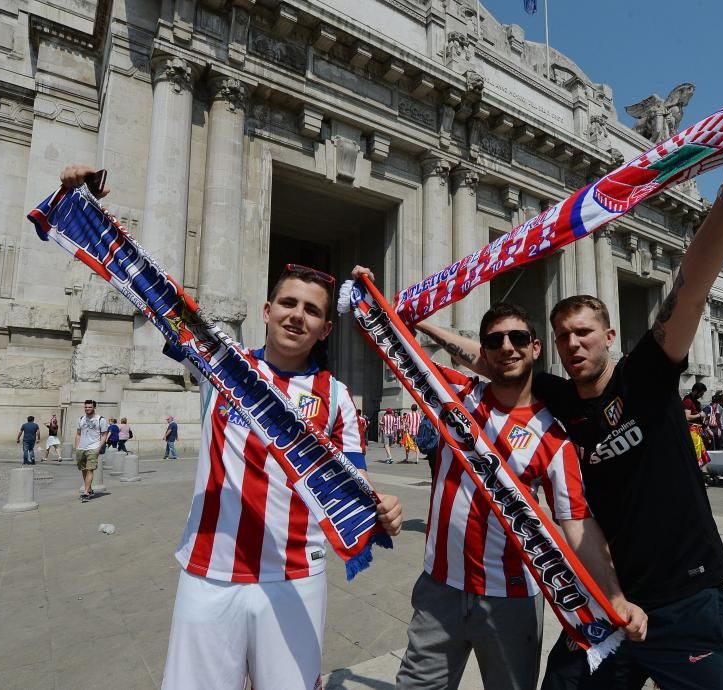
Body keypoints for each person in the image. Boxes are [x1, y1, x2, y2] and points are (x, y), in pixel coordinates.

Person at [412, 93, 723, 686]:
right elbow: (487, 361)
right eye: (562, 337)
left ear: (610, 335)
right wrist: (419, 325)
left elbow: (691, 284)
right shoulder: (560, 401)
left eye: (583, 332)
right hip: (601, 605)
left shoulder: (650, 374)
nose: (573, 344)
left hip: (687, 600)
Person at [58, 164, 403, 690]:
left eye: (312, 311)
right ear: (266, 311)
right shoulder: (222, 367)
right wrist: (87, 209)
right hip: (209, 572)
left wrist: (383, 512)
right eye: (287, 303)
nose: (297, 316)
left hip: (296, 578)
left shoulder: (336, 397)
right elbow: (155, 296)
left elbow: (352, 484)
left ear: (326, 328)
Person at [405, 301, 647, 690]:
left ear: (535, 348)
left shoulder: (555, 438)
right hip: (439, 589)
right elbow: (398, 347)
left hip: (511, 601)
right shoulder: (456, 396)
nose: (507, 347)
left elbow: (577, 522)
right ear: (483, 352)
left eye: (518, 338)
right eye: (494, 340)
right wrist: (407, 316)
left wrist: (614, 596)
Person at [74, 399, 108, 501]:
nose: (87, 409)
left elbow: (104, 435)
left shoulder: (101, 419)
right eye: (86, 407)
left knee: (90, 469)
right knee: (83, 469)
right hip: (81, 447)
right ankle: (89, 489)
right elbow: (78, 434)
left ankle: (85, 492)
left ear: (94, 407)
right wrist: (76, 447)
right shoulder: (81, 419)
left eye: (89, 407)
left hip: (93, 447)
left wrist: (99, 447)